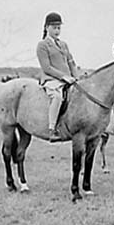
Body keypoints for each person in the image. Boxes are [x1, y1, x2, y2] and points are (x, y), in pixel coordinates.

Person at [36, 12, 77, 142]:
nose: (57, 30)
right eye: (54, 27)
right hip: (51, 79)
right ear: (47, 27)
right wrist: (64, 77)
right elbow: (46, 67)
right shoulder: (42, 45)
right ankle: (52, 129)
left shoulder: (64, 44)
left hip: (67, 79)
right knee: (57, 97)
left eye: (59, 27)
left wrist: (76, 77)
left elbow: (71, 62)